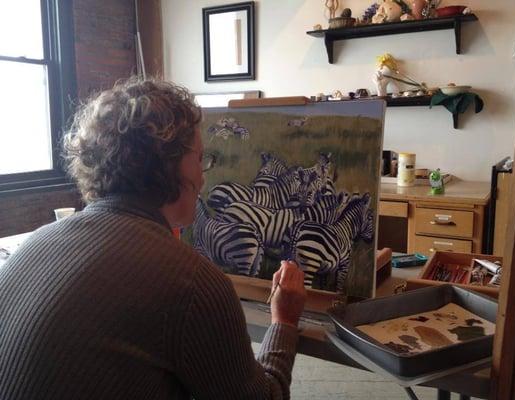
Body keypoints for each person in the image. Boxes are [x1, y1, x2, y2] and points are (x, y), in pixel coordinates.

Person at [0, 77, 306, 399]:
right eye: (199, 159)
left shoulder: (33, 243)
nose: (203, 176)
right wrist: (284, 322)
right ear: (172, 165)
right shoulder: (193, 283)